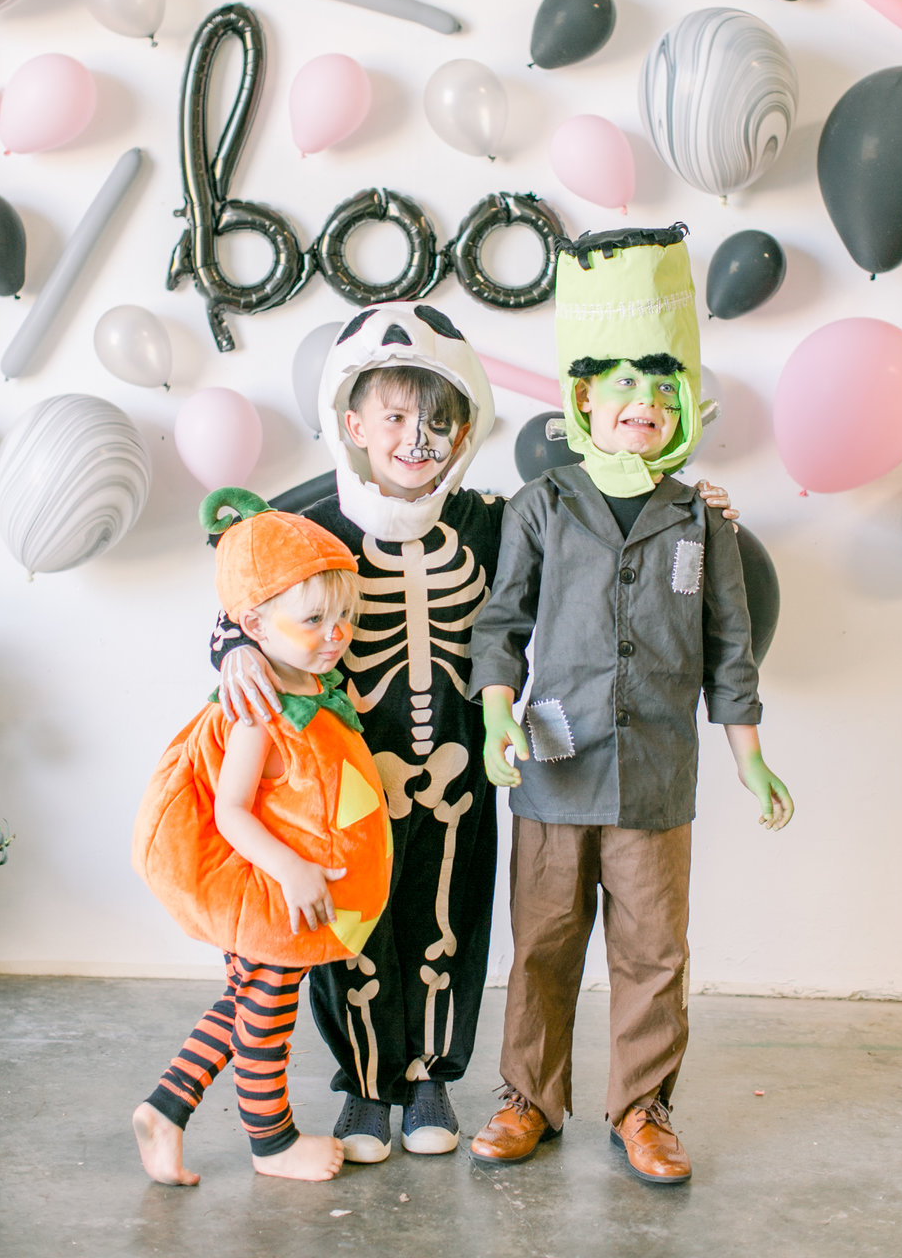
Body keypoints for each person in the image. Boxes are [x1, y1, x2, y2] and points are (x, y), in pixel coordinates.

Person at [213, 302, 740, 1165]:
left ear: (465, 429)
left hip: (462, 766)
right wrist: (232, 643)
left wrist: (693, 504)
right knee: (356, 930)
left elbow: (583, 550)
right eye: (394, 418)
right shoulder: (306, 522)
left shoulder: (492, 518)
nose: (417, 439)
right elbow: (243, 579)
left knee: (449, 919)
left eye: (437, 422)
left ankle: (433, 1078)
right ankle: (366, 1086)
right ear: (353, 423)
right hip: (349, 776)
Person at [467, 226, 793, 1186]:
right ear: (583, 399)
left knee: (654, 950)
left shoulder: (701, 518)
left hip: (656, 777)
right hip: (552, 770)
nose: (643, 401)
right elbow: (502, 623)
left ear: (682, 405)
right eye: (623, 382)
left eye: (661, 385)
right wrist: (494, 714)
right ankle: (528, 1099)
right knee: (542, 943)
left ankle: (642, 1108)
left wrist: (750, 757)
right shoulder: (540, 506)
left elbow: (730, 649)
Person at [131, 490, 391, 1186]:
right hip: (275, 895)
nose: (336, 634)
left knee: (244, 1002)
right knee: (266, 1019)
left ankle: (166, 1109)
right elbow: (232, 812)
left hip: (290, 896)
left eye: (344, 618)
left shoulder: (311, 682)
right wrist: (293, 870)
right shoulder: (258, 712)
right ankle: (271, 1142)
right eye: (314, 620)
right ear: (252, 625)